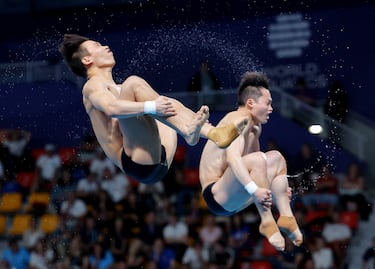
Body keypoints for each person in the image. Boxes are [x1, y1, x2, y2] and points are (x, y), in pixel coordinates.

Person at [58, 34, 247, 185]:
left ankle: (206, 132)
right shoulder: (92, 86)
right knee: (135, 85)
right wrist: (151, 106)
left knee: (162, 101)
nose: (105, 46)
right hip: (137, 161)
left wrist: (154, 106)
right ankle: (196, 132)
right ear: (87, 59)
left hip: (159, 158)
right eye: (97, 45)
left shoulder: (119, 87)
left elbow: (157, 107)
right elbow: (111, 108)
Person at [199, 71, 303, 251]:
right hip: (216, 194)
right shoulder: (238, 120)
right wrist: (256, 191)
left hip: (234, 191)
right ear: (250, 103)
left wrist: (278, 190)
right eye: (268, 103)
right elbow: (234, 159)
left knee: (276, 158)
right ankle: (267, 221)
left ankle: (286, 216)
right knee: (258, 159)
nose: (271, 108)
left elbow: (259, 170)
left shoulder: (255, 127)